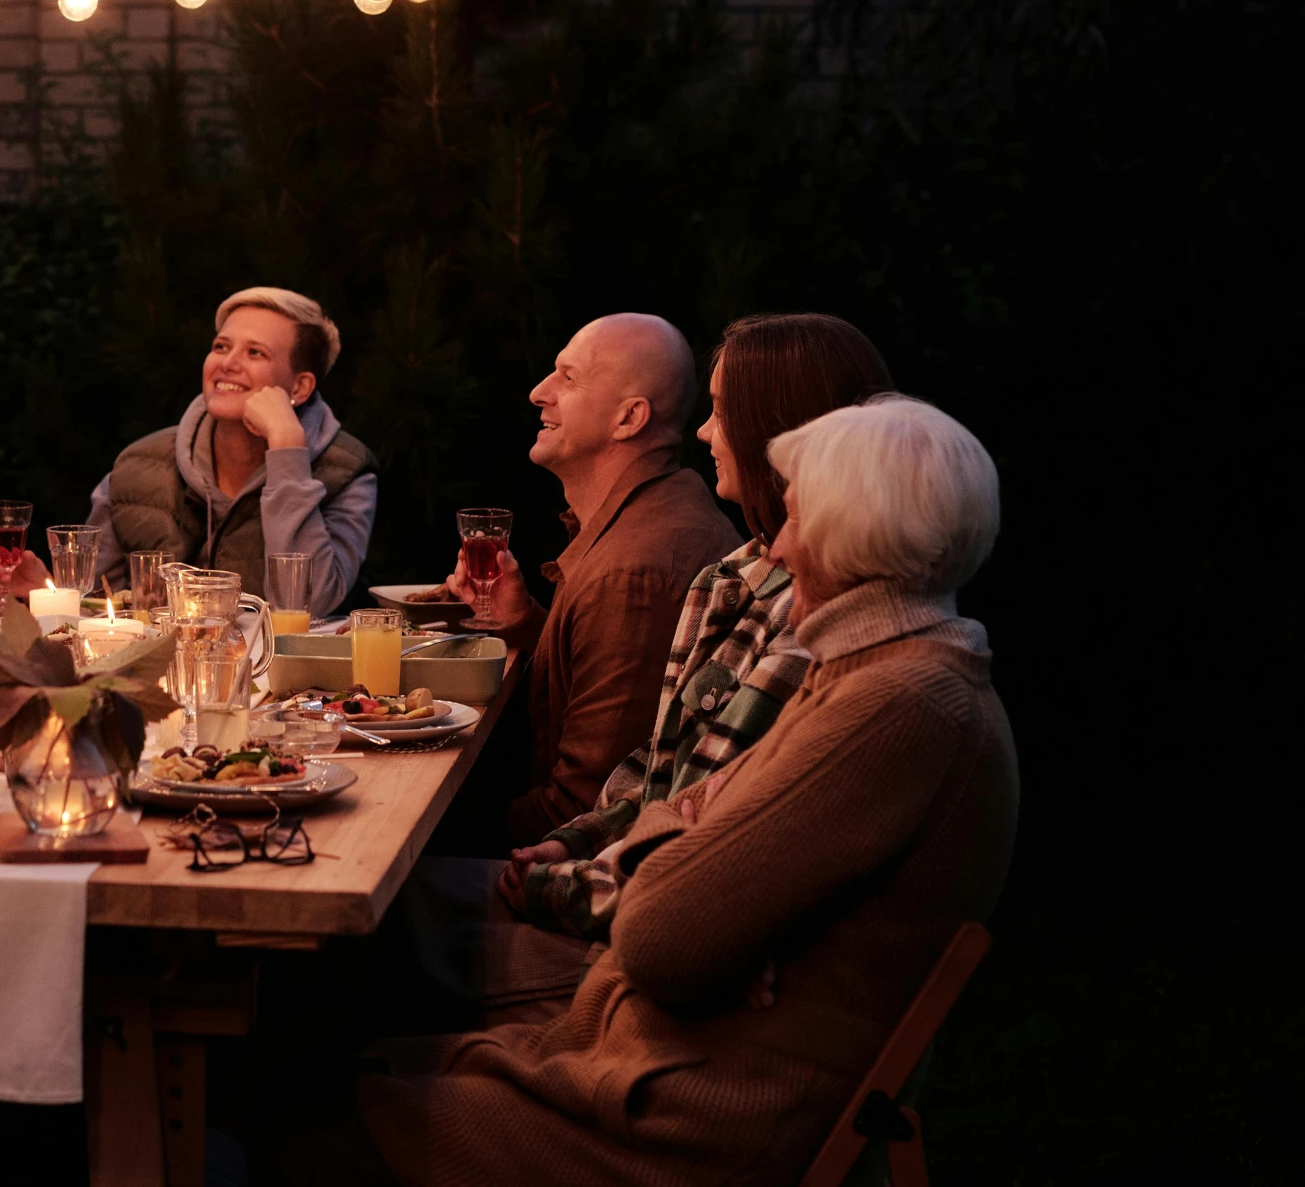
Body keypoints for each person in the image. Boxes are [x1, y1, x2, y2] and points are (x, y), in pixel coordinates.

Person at [330, 395, 1018, 1187]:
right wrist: (692, 848)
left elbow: (660, 934)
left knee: (314, 1121)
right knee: (342, 1053)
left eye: (793, 518)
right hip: (657, 1053)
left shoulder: (898, 707)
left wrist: (683, 857)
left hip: (691, 1112)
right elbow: (684, 848)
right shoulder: (879, 669)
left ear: (849, 533)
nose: (780, 546)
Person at [499, 313, 894, 943]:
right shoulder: (736, 573)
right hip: (604, 881)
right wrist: (528, 629)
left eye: (567, 377)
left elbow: (700, 852)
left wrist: (545, 868)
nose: (704, 431)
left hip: (615, 931)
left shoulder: (659, 574)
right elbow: (666, 777)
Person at [449, 313, 739, 842]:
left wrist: (429, 837)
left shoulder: (632, 574)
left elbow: (583, 810)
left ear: (629, 419)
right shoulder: (646, 518)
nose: (539, 392)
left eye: (569, 377)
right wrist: (526, 626)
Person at [0, 287, 377, 615]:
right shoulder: (139, 464)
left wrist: (289, 453)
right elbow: (101, 610)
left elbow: (308, 607)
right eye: (221, 346)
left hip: (290, 697)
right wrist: (44, 592)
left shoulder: (347, 472)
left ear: (299, 388)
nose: (228, 363)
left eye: (255, 353)